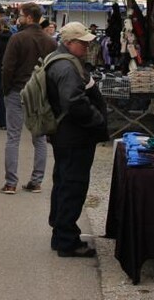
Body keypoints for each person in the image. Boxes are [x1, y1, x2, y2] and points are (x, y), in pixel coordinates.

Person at [45, 22, 107, 257]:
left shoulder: (59, 60)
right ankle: (66, 240)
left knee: (63, 183)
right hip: (74, 136)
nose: (87, 46)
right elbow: (73, 101)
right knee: (73, 186)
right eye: (83, 42)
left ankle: (60, 233)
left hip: (65, 134)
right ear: (70, 43)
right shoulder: (67, 67)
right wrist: (97, 118)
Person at [1, 2, 57, 194]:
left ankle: (10, 182)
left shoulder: (17, 38)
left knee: (13, 137)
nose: (18, 18)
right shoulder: (50, 41)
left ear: (29, 18)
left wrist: (6, 89)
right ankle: (36, 181)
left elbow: (7, 67)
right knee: (39, 137)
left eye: (21, 15)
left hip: (17, 90)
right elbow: (53, 71)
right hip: (39, 93)